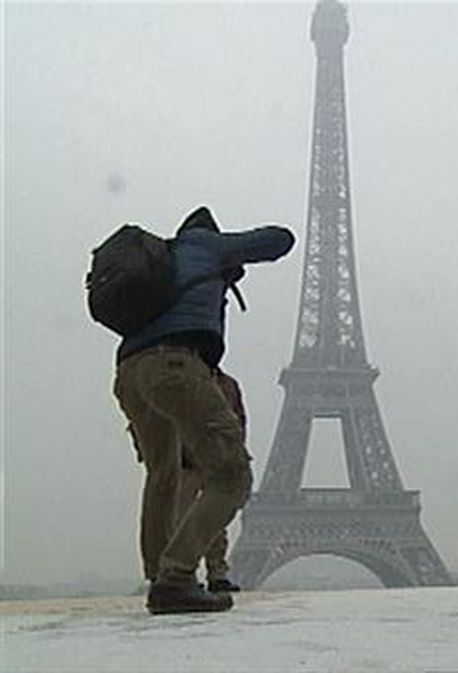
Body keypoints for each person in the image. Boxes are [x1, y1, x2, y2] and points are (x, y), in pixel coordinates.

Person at [114, 206, 294, 613]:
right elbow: (278, 240)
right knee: (232, 476)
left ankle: (160, 577)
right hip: (175, 364)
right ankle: (176, 577)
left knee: (162, 475)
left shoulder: (161, 259)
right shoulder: (206, 246)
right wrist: (233, 251)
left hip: (129, 371)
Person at [176, 368, 246, 594]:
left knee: (212, 520)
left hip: (214, 459)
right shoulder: (221, 384)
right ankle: (184, 571)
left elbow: (238, 420)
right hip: (189, 459)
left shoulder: (227, 384)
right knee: (183, 517)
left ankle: (214, 572)